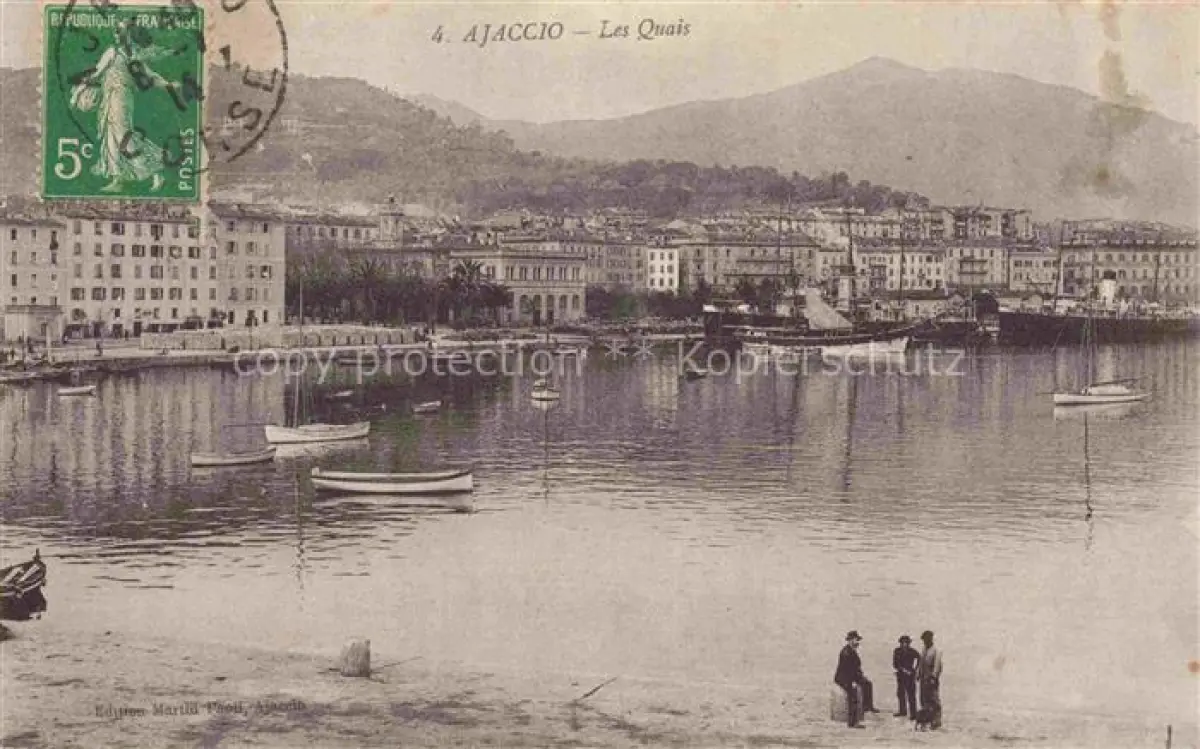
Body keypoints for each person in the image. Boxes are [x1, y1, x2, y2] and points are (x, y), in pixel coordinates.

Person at [834, 630, 876, 729]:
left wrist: (861, 676)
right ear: (850, 640)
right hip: (844, 678)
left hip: (852, 675)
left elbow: (856, 667)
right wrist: (852, 682)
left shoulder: (852, 650)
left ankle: (867, 707)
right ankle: (852, 722)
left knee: (867, 684)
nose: (857, 642)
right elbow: (847, 670)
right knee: (853, 695)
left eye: (857, 640)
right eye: (855, 640)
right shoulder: (846, 652)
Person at [917, 630, 943, 729]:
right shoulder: (924, 649)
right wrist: (918, 674)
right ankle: (927, 719)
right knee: (924, 699)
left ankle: (936, 720)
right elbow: (921, 663)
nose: (925, 641)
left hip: (931, 679)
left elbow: (937, 665)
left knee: (934, 700)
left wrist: (934, 677)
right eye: (924, 640)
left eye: (927, 639)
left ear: (931, 639)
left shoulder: (936, 650)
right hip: (923, 679)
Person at [892, 635, 919, 719]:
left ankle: (913, 713)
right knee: (900, 693)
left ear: (909, 643)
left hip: (910, 676)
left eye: (906, 642)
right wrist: (902, 669)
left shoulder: (912, 651)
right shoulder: (897, 651)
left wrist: (915, 669)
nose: (904, 644)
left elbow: (919, 659)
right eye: (902, 642)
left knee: (911, 694)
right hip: (901, 675)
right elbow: (895, 663)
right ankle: (902, 711)